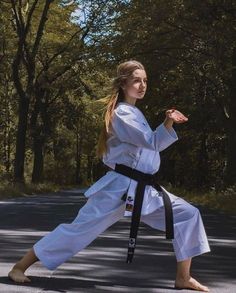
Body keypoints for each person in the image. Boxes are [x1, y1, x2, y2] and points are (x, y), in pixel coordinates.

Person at [8, 60, 210, 292]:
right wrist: (168, 121)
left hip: (144, 189)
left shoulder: (134, 112)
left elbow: (148, 146)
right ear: (124, 84)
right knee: (79, 230)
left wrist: (167, 122)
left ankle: (183, 277)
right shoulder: (123, 113)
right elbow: (153, 142)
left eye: (145, 80)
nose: (142, 85)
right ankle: (19, 267)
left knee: (187, 214)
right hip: (119, 188)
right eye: (136, 80)